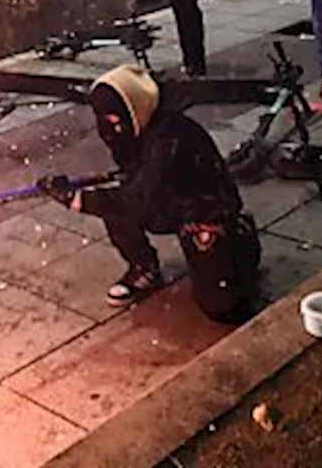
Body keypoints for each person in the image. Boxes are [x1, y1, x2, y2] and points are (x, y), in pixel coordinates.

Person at [37, 64, 261, 322]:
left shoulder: (171, 137)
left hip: (205, 210)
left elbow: (138, 198)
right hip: (165, 202)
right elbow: (133, 183)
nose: (110, 129)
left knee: (224, 308)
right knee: (114, 204)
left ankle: (240, 240)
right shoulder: (132, 127)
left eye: (115, 119)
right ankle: (143, 267)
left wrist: (73, 198)